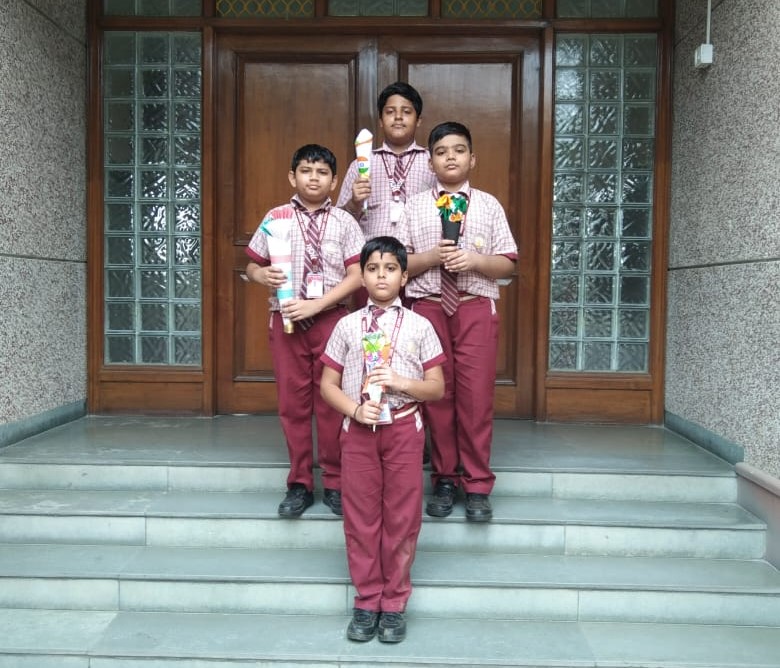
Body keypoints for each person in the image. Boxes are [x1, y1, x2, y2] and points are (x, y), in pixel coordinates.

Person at [320, 236, 445, 643]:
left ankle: (393, 603)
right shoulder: (346, 326)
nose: (381, 276)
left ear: (404, 277)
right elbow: (327, 385)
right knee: (360, 518)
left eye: (390, 269)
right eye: (372, 269)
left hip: (404, 431)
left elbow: (437, 388)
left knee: (402, 518)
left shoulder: (420, 326)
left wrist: (401, 382)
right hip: (359, 432)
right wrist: (355, 411)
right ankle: (367, 599)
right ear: (361, 277)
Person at [400, 121, 518, 523]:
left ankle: (477, 484)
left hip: (473, 306)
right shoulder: (415, 207)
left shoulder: (489, 205)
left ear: (472, 158)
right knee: (438, 398)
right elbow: (399, 262)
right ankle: (445, 479)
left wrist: (475, 261)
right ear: (430, 162)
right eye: (441, 151)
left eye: (459, 150)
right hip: (428, 309)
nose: (450, 157)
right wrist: (432, 257)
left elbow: (507, 263)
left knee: (475, 400)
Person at [245, 144, 364, 519]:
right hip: (286, 323)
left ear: (334, 181)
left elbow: (357, 276)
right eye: (306, 171)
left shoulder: (345, 222)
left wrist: (317, 304)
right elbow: (252, 265)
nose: (314, 178)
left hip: (331, 322)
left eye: (322, 172)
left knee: (332, 405)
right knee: (292, 406)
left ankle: (335, 481)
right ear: (292, 176)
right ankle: (299, 483)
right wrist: (260, 275)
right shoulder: (275, 216)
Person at [337, 81, 436, 257]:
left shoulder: (433, 163)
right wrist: (354, 203)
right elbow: (337, 222)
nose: (398, 117)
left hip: (420, 261)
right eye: (390, 112)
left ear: (418, 120)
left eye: (406, 112)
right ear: (381, 121)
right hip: (372, 261)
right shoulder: (361, 164)